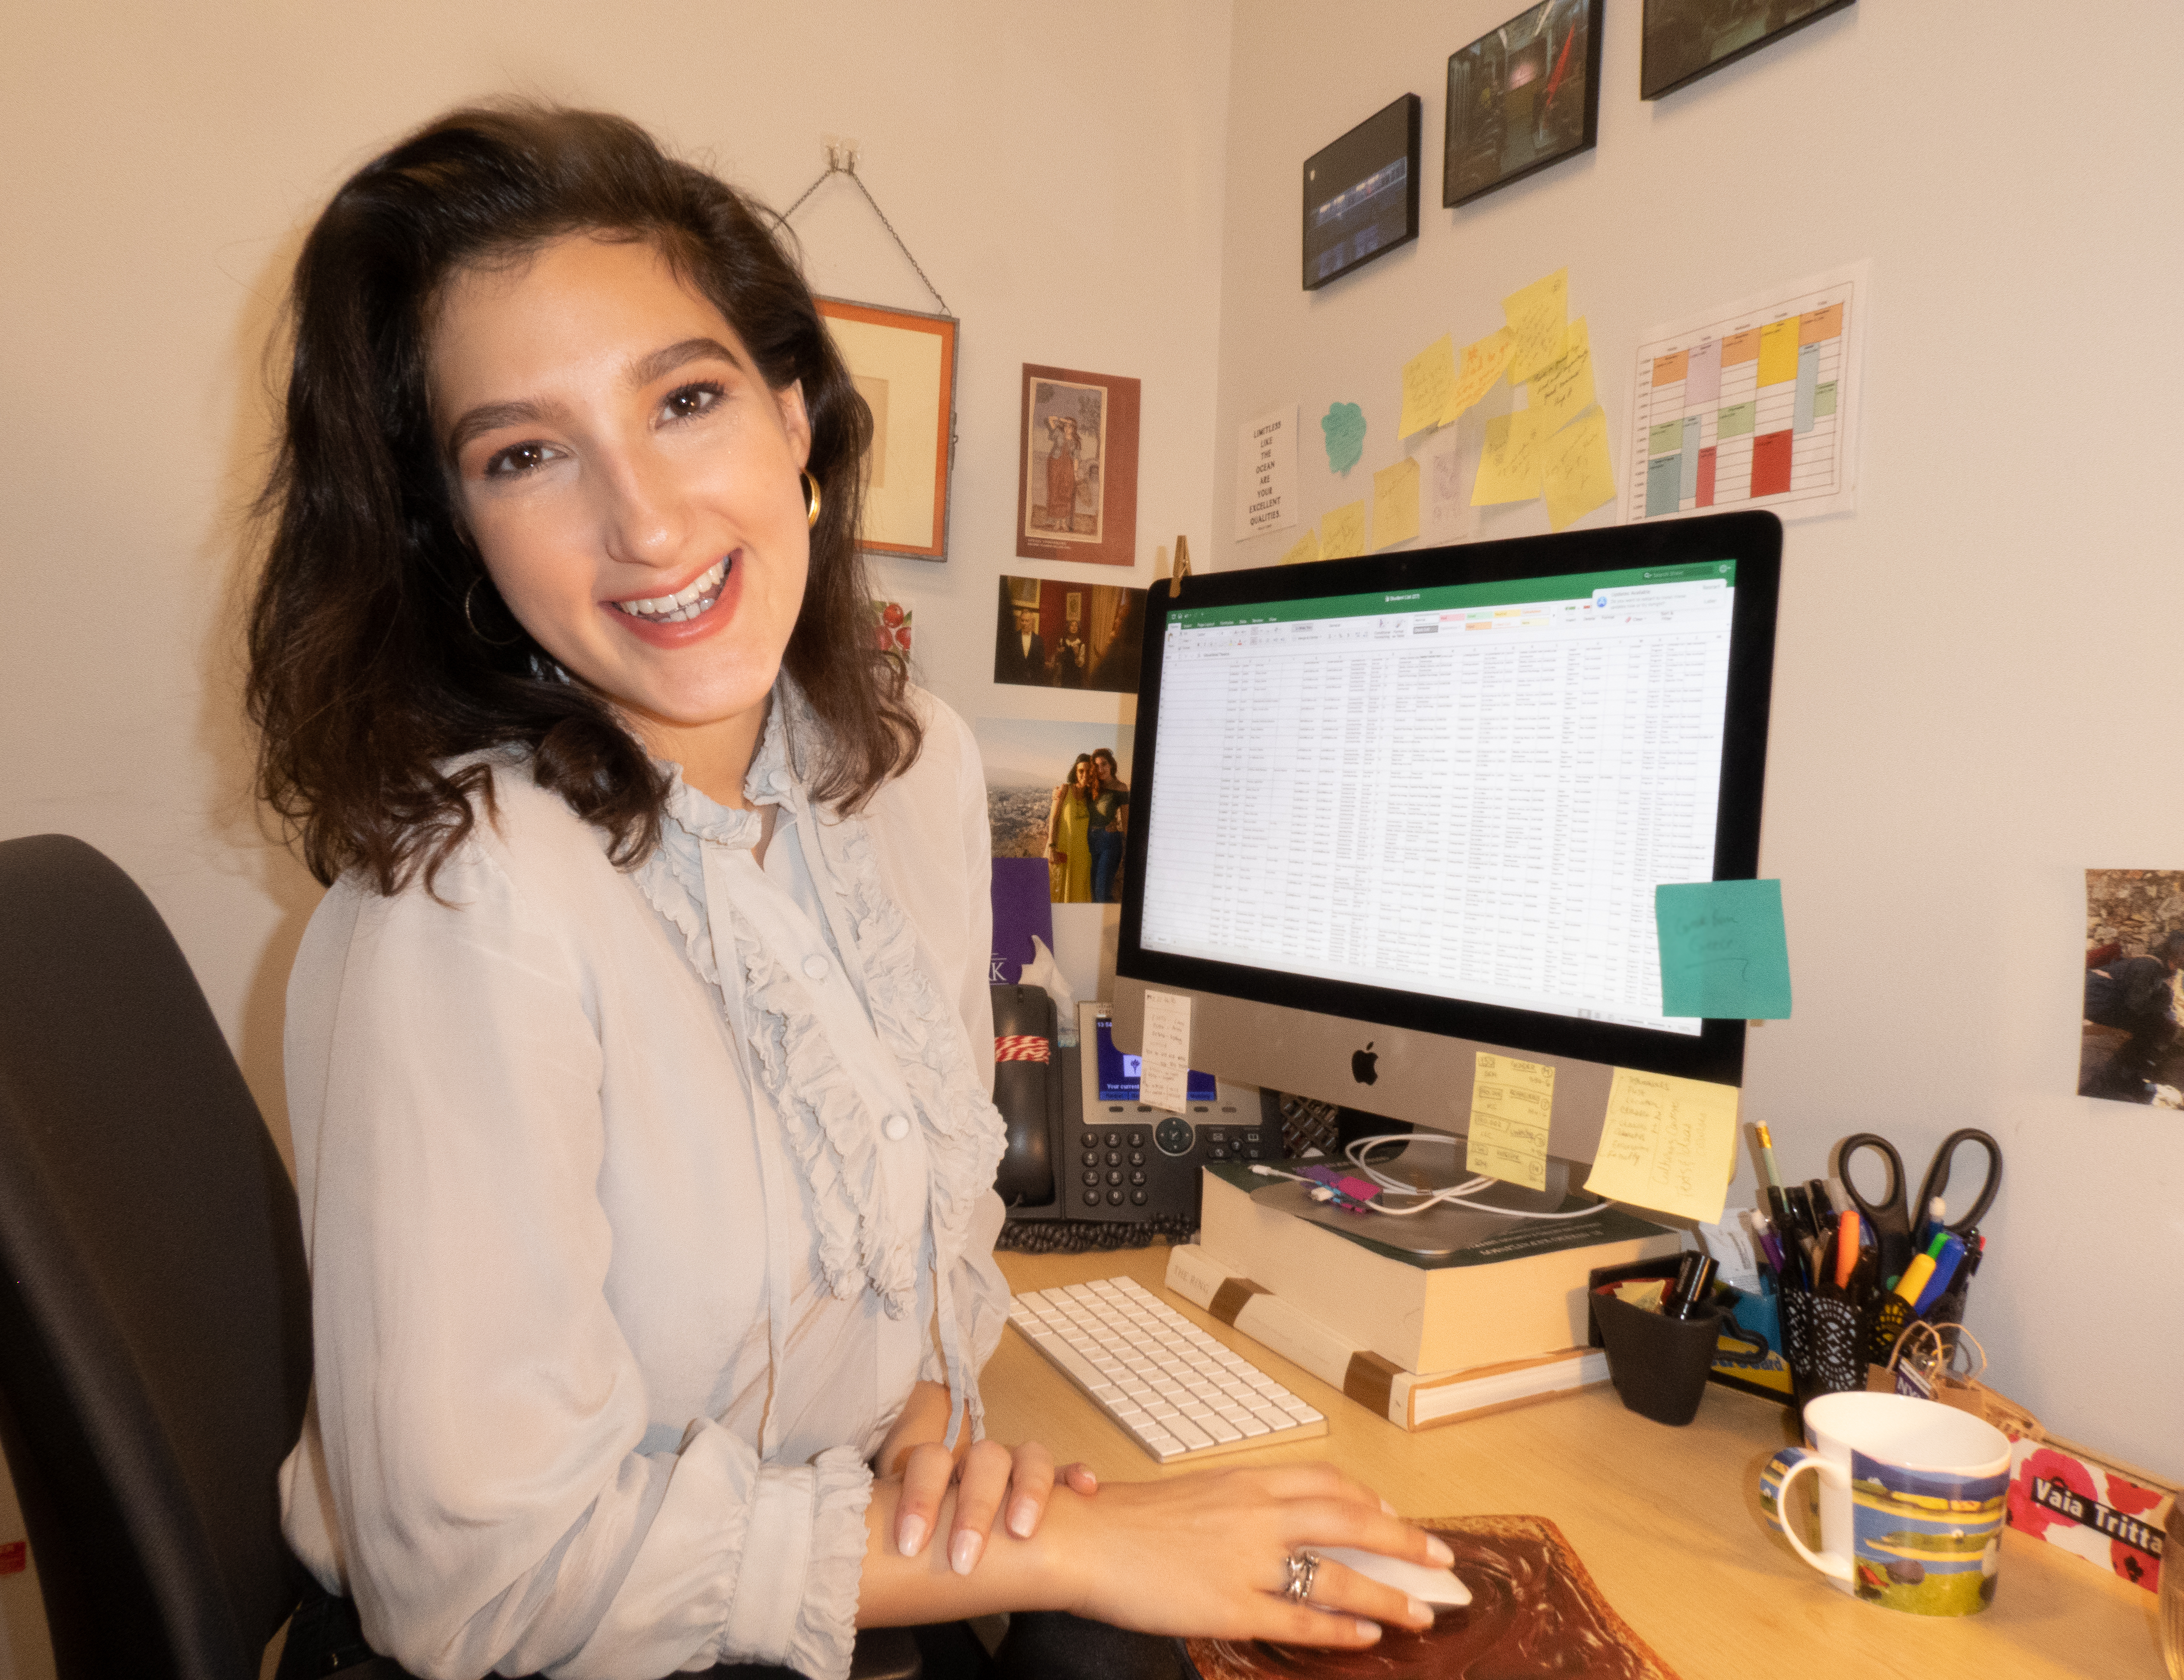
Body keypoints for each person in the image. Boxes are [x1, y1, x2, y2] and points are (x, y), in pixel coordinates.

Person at [244, 104, 1442, 1680]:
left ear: (796, 415)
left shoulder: (910, 775)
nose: (648, 521)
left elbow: (920, 1247)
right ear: (452, 528)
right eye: (525, 453)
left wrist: (939, 1418)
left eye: (684, 399)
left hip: (813, 1570)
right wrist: (1079, 1535)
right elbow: (485, 1578)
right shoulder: (466, 903)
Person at [2083, 930, 2184, 1100]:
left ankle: (2131, 1071)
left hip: (2110, 1002)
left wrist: (2164, 1001)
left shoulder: (2164, 970)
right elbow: (2136, 1005)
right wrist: (2162, 1004)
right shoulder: (2148, 966)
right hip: (2096, 1003)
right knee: (2150, 1027)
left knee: (2160, 1025)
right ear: (2175, 955)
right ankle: (2119, 1076)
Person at [1045, 754, 1096, 904]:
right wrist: (1052, 847)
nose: (1085, 775)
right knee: (1058, 895)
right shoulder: (1065, 790)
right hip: (1064, 851)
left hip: (1084, 856)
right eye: (1081, 771)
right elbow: (1054, 819)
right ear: (1075, 772)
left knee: (1079, 895)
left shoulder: (1093, 796)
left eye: (1089, 771)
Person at [1088, 748, 1129, 905]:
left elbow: (1126, 821)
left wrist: (1126, 847)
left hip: (1109, 842)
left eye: (1104, 764)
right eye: (1097, 766)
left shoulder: (1121, 788)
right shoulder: (1094, 786)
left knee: (1102, 892)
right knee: (1093, 893)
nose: (1101, 770)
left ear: (1111, 764)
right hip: (1090, 842)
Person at [1043, 414, 1079, 532]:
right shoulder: (1058, 435)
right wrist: (1060, 420)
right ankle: (1057, 522)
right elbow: (1051, 422)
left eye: (1070, 426)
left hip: (1068, 469)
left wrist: (1076, 473)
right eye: (1066, 425)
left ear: (1074, 429)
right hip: (1055, 466)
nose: (1067, 428)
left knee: (1066, 494)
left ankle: (1064, 522)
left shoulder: (1075, 442)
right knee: (1055, 493)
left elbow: (1076, 459)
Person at [996, 597, 1045, 686]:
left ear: (1032, 622)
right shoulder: (1012, 638)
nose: (1024, 623)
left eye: (1027, 621)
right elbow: (1008, 662)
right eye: (1022, 620)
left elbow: (1041, 666)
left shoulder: (1039, 640)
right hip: (1015, 681)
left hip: (1033, 683)